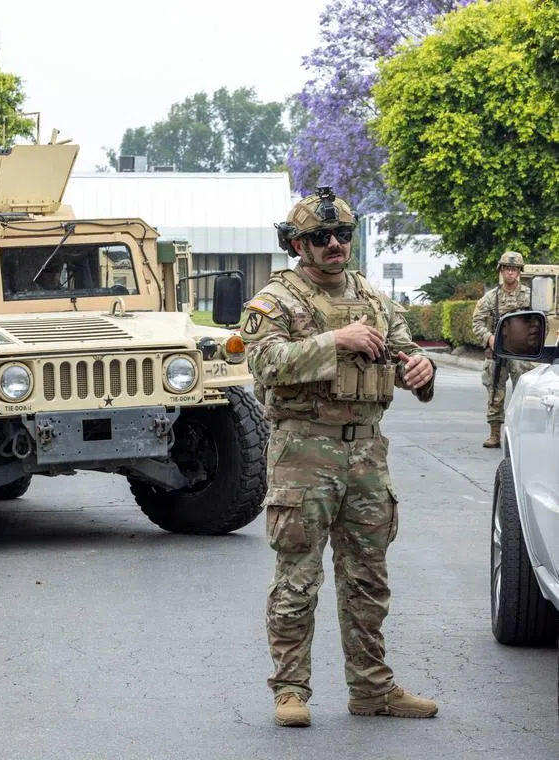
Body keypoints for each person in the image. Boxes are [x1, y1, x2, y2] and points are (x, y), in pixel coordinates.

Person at [241, 188, 438, 727]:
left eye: (343, 235)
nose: (334, 244)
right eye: (321, 237)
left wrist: (420, 369)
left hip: (368, 451)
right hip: (304, 449)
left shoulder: (375, 300)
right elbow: (263, 362)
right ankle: (290, 691)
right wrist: (335, 340)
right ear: (297, 245)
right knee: (297, 578)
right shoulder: (276, 301)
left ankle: (373, 689)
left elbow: (404, 351)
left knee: (368, 577)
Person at [471, 251, 533, 448]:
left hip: (522, 352)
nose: (510, 273)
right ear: (501, 270)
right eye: (507, 268)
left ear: (519, 272)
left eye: (514, 269)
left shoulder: (530, 296)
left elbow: (542, 321)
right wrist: (488, 337)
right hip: (497, 351)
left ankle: (520, 435)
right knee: (495, 392)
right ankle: (495, 434)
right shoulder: (491, 298)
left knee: (523, 394)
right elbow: (477, 322)